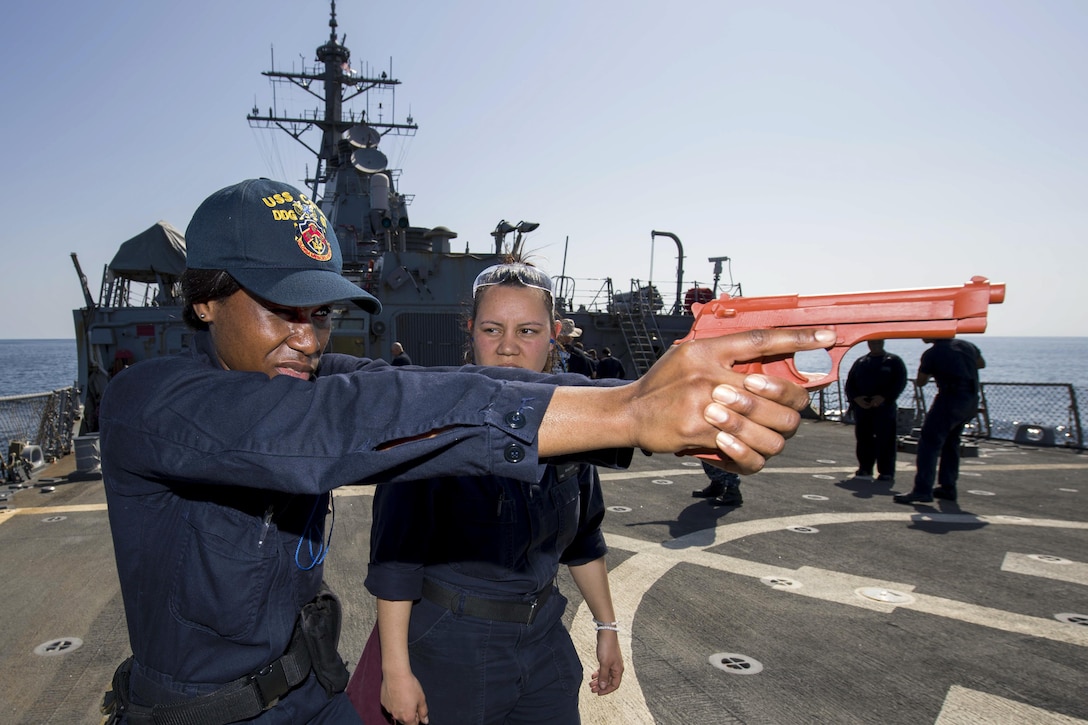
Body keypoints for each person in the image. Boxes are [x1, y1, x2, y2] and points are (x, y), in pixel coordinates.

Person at [97, 178, 828, 724]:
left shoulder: (309, 375)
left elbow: (431, 392)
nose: (309, 338)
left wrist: (659, 398)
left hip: (308, 692)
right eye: (282, 311)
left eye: (318, 314)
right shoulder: (150, 404)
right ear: (204, 299)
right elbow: (328, 427)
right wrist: (630, 409)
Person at [350, 261, 623, 724]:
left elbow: (584, 539)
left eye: (529, 330)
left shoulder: (576, 427)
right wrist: (396, 671)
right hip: (454, 643)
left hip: (542, 636)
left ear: (554, 333)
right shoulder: (433, 420)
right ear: (471, 330)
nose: (509, 347)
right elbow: (396, 560)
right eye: (493, 329)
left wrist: (607, 626)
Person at [894, 337, 986, 504]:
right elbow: (980, 363)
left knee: (929, 444)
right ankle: (948, 487)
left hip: (949, 398)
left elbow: (921, 381)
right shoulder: (967, 345)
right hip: (970, 399)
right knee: (951, 442)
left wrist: (939, 369)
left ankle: (922, 490)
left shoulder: (932, 353)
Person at [844, 339, 907, 482]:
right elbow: (850, 384)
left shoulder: (893, 361)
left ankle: (886, 471)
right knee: (864, 439)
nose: (875, 346)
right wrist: (856, 398)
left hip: (884, 407)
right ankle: (865, 468)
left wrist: (884, 397)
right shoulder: (861, 362)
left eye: (878, 343)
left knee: (885, 440)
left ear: (883, 343)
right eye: (872, 343)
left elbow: (899, 382)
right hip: (863, 407)